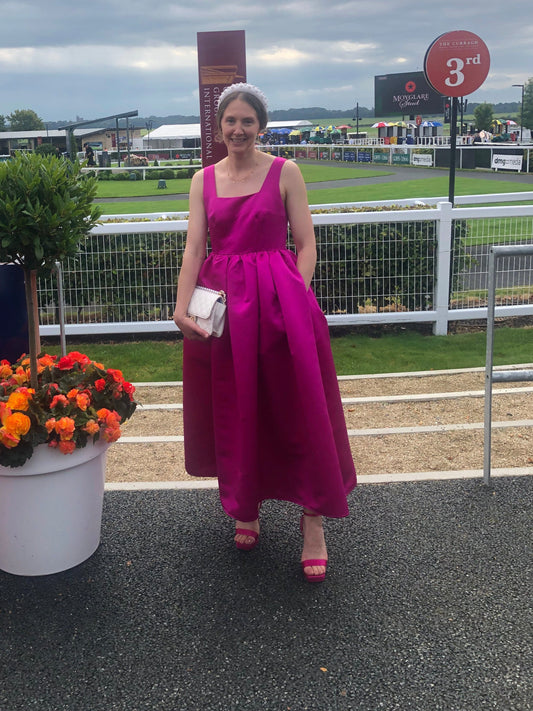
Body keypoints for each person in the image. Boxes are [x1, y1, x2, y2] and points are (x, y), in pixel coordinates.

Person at [173, 83, 356, 583]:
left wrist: (295, 294)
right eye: (229, 121)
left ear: (261, 126)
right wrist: (181, 305)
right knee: (239, 408)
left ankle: (313, 522)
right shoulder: (202, 179)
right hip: (228, 313)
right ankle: (246, 506)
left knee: (298, 408)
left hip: (283, 306)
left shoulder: (285, 171)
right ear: (219, 128)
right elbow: (194, 248)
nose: (237, 129)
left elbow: (307, 242)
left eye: (246, 121)